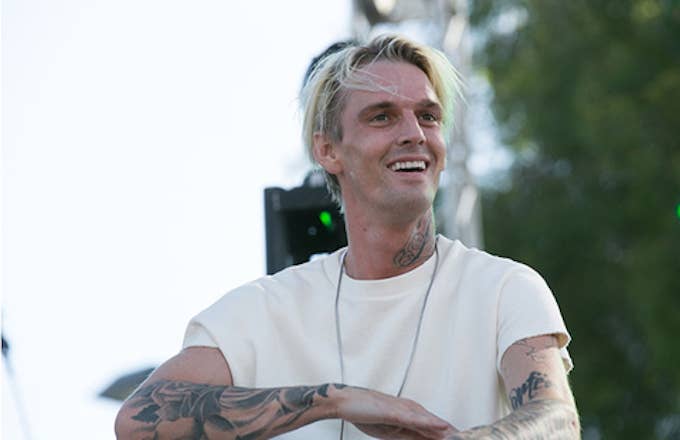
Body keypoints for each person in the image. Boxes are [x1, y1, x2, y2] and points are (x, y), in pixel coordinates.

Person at [115, 34, 580, 439]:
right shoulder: (266, 310)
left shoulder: (504, 288)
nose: (414, 134)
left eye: (428, 116)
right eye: (382, 117)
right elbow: (137, 420)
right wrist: (332, 400)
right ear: (327, 150)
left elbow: (556, 421)